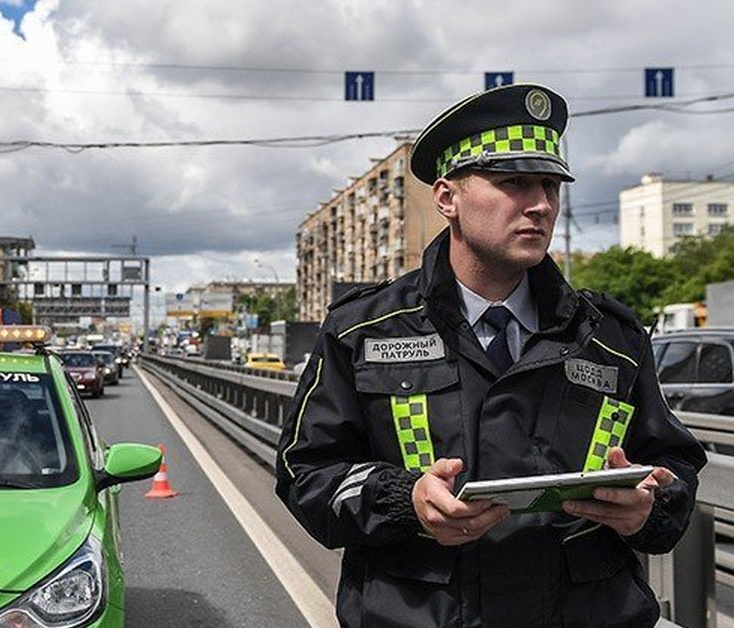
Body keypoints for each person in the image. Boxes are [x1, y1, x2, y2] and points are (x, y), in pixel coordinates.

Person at [274, 83, 707, 627]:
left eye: (550, 185)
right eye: (514, 183)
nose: (541, 205)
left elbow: (675, 467)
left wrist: (649, 508)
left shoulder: (611, 336)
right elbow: (305, 474)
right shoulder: (363, 328)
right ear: (447, 198)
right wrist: (406, 501)